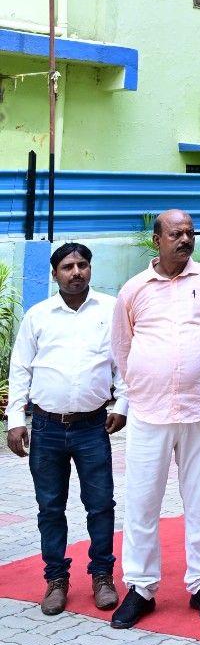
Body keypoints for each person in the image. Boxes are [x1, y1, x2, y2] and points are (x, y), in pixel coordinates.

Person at [110, 210, 200, 628]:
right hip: (149, 414)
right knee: (142, 503)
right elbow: (122, 348)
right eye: (176, 233)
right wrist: (147, 383)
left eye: (190, 233)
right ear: (157, 240)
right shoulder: (134, 289)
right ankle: (141, 588)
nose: (185, 239)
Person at [6, 243, 127, 616]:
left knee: (100, 505)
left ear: (90, 269)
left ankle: (102, 576)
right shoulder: (39, 315)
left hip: (93, 426)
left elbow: (123, 362)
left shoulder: (110, 310)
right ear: (55, 273)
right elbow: (20, 368)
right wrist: (15, 420)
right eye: (68, 266)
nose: (76, 272)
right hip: (46, 428)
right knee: (50, 507)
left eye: (82, 265)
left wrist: (123, 405)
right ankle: (56, 579)